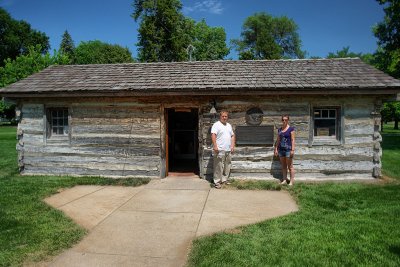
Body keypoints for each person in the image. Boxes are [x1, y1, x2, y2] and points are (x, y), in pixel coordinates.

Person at [211, 110, 235, 189]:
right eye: (223, 116)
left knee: (227, 165)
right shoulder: (216, 125)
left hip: (228, 149)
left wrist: (232, 146)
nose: (224, 118)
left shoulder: (229, 125)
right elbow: (213, 135)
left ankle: (224, 179)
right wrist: (215, 146)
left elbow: (232, 136)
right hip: (219, 149)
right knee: (218, 166)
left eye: (226, 116)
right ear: (220, 117)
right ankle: (217, 182)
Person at [274, 115, 295, 186]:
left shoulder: (291, 129)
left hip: (288, 150)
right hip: (281, 150)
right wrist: (276, 149)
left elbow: (292, 140)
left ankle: (291, 181)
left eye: (286, 120)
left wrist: (292, 149)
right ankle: (284, 180)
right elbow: (278, 140)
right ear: (281, 120)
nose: (284, 121)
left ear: (288, 120)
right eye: (283, 120)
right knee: (283, 166)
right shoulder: (280, 130)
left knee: (290, 167)